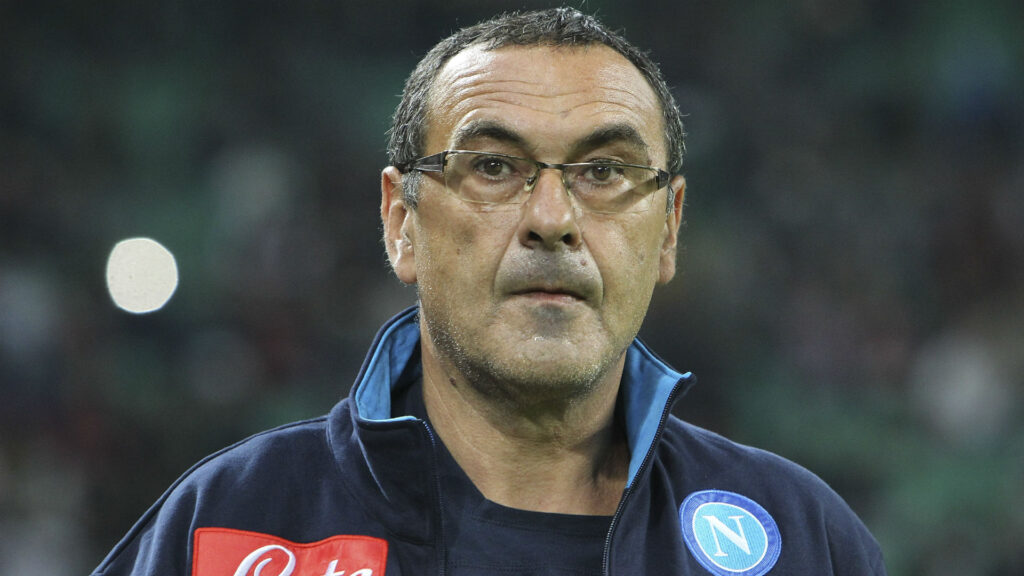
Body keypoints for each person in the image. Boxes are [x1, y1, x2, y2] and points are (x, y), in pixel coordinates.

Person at [93, 8, 886, 576]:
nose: (552, 219)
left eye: (604, 171)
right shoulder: (229, 527)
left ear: (670, 228)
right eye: (494, 167)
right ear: (401, 222)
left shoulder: (801, 538)